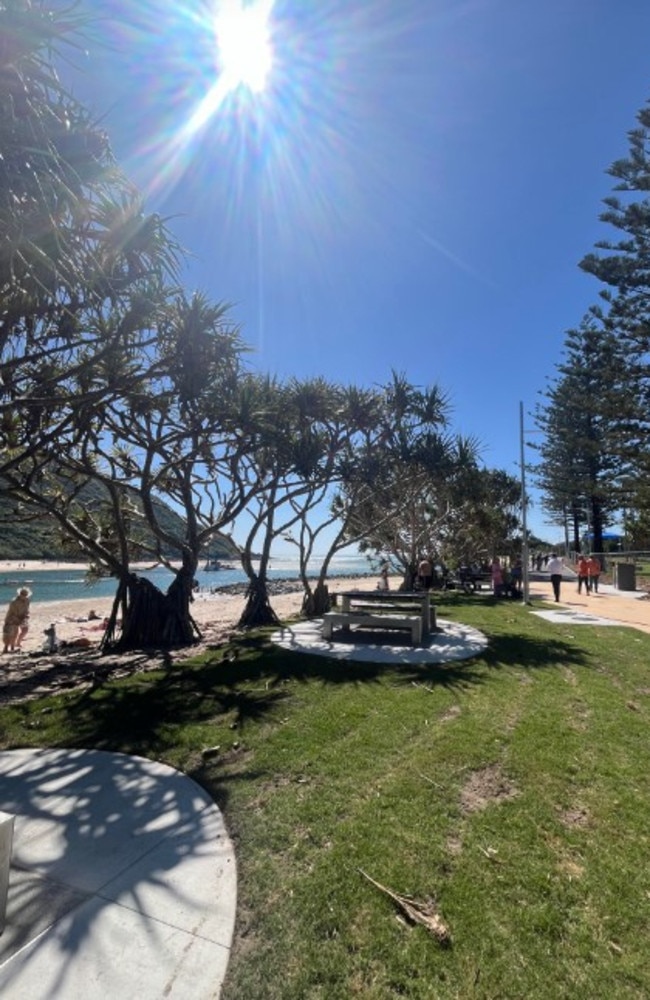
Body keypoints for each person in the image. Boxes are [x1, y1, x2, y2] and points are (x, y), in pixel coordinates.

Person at [3, 586, 31, 653]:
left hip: (22, 617)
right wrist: (17, 620)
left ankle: (16, 644)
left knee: (24, 629)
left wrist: (26, 616)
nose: (24, 596)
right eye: (23, 594)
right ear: (20, 594)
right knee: (10, 633)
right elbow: (12, 613)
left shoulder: (27, 601)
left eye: (25, 594)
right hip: (11, 618)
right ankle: (6, 648)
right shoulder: (14, 602)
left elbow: (27, 610)